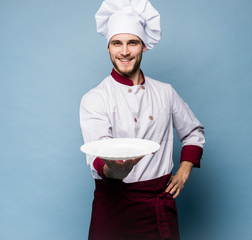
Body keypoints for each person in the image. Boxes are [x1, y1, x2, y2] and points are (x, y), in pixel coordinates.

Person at [79, 0, 205, 239]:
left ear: (144, 46)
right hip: (114, 208)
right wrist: (117, 169)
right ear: (108, 47)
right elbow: (97, 156)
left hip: (158, 205)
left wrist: (183, 171)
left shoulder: (165, 92)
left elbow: (193, 132)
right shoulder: (95, 98)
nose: (124, 51)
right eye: (117, 43)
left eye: (132, 43)